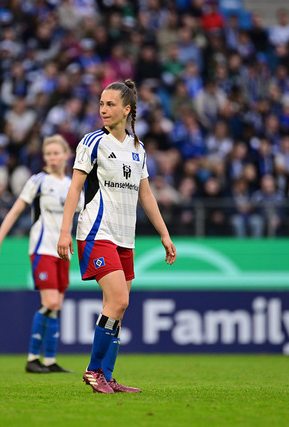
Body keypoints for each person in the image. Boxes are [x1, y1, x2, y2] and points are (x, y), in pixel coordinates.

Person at [57, 79, 177, 394]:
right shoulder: (92, 142)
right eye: (101, 103)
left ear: (127, 109)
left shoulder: (138, 149)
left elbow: (146, 195)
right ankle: (93, 370)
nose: (103, 109)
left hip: (125, 238)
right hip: (96, 232)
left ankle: (107, 376)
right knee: (119, 300)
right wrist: (64, 231)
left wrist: (164, 234)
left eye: (110, 104)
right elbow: (75, 188)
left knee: (118, 308)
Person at [0, 134, 80, 374]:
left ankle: (49, 360)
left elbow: (83, 215)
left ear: (66, 155)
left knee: (57, 305)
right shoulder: (38, 181)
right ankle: (31, 358)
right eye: (48, 154)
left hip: (64, 253)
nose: (52, 157)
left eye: (56, 153)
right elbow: (15, 211)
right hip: (42, 249)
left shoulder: (72, 184)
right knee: (50, 302)